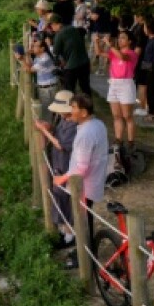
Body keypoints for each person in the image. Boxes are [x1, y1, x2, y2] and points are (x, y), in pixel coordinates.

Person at [51, 94, 108, 268]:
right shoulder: (98, 124)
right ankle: (83, 250)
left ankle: (84, 256)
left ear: (83, 112)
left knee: (83, 220)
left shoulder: (85, 134)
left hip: (84, 184)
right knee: (84, 218)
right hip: (93, 180)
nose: (71, 111)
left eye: (74, 108)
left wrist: (63, 178)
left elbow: (81, 168)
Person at [36, 96, 78, 247]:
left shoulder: (74, 125)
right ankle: (63, 231)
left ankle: (70, 235)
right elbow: (58, 135)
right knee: (59, 197)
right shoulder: (64, 120)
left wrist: (43, 131)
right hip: (59, 163)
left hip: (67, 165)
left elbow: (61, 145)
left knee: (66, 199)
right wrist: (49, 128)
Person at [98, 30, 139, 149]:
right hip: (114, 83)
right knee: (116, 115)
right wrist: (97, 42)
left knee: (127, 115)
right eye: (119, 38)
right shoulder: (115, 52)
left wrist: (110, 45)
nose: (120, 40)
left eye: (123, 38)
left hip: (126, 84)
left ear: (129, 41)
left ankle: (131, 141)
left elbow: (122, 57)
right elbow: (99, 52)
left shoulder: (132, 53)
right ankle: (118, 139)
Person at [49, 13, 92, 96]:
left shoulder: (59, 34)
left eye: (51, 25)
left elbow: (55, 52)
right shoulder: (73, 28)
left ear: (54, 24)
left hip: (72, 65)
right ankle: (88, 107)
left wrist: (50, 44)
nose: (51, 28)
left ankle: (70, 107)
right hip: (85, 62)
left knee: (69, 90)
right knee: (85, 88)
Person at [18, 37, 60, 114]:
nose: (33, 47)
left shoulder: (44, 59)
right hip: (46, 87)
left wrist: (21, 59)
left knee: (48, 111)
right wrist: (27, 55)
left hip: (48, 89)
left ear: (42, 48)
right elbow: (31, 66)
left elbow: (29, 70)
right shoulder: (39, 57)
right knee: (49, 110)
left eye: (35, 46)